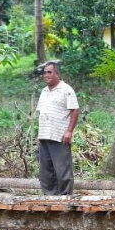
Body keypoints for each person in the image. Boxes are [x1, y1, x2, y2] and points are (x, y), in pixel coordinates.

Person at [35, 61, 79, 195]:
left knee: (62, 170)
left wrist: (69, 131)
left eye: (49, 72)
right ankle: (50, 198)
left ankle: (65, 198)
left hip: (59, 136)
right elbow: (41, 114)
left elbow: (75, 110)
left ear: (57, 74)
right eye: (44, 73)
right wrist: (39, 136)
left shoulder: (66, 90)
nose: (46, 75)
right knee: (46, 171)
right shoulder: (44, 91)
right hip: (44, 136)